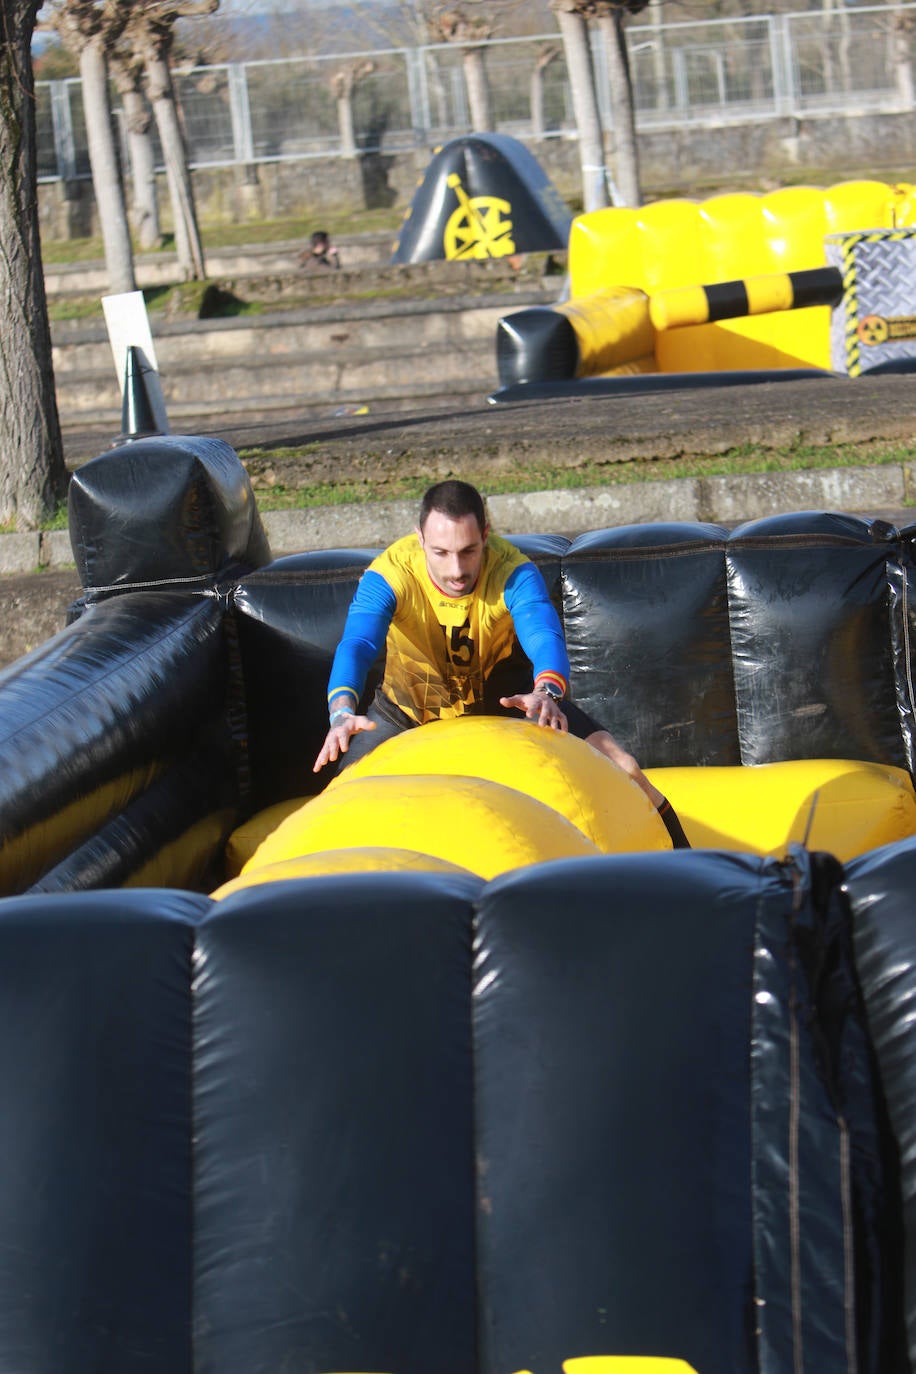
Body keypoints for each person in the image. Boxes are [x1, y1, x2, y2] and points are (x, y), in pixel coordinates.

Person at [313, 480, 690, 847]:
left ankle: (693, 872)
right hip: (407, 712)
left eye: (469, 551)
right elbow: (358, 644)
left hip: (506, 704)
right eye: (441, 553)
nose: (456, 570)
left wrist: (546, 692)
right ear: (420, 539)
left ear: (487, 536)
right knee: (339, 798)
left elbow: (544, 636)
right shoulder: (391, 574)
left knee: (623, 766)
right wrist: (341, 711)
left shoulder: (512, 571)